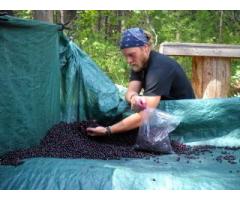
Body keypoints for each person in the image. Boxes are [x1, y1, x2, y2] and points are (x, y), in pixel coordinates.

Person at [87, 27, 195, 136]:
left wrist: (108, 130)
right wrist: (134, 97)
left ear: (145, 48)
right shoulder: (139, 64)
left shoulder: (159, 68)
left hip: (182, 121)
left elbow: (146, 114)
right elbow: (130, 92)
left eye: (131, 55)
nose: (128, 61)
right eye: (125, 56)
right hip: (162, 115)